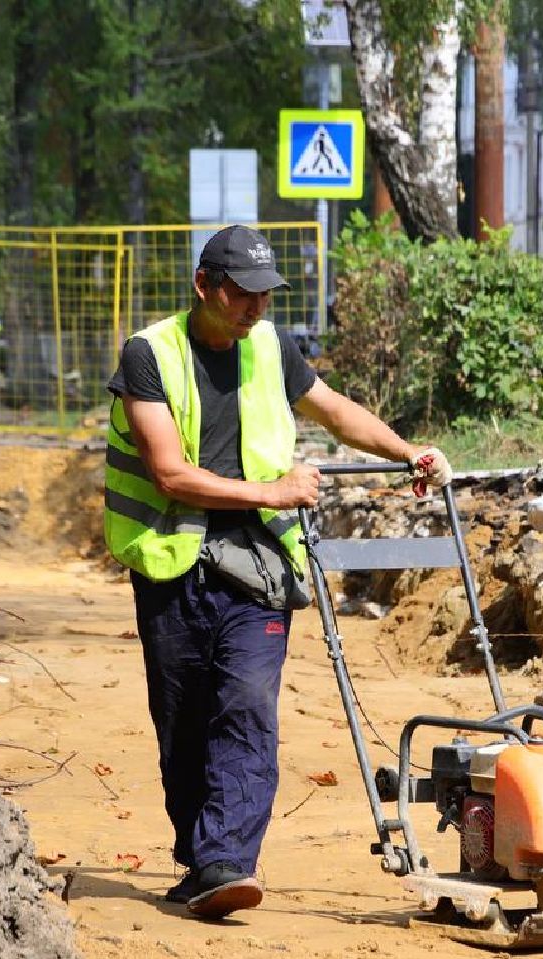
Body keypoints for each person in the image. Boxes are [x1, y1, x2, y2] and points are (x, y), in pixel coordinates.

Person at [104, 224, 451, 919]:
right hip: (171, 559)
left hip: (258, 562)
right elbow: (170, 473)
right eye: (242, 295)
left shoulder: (270, 344)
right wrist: (275, 491)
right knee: (182, 720)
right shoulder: (150, 354)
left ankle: (227, 859)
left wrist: (404, 450)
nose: (255, 309)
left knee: (245, 706)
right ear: (204, 286)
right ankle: (202, 856)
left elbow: (335, 411)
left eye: (265, 296)